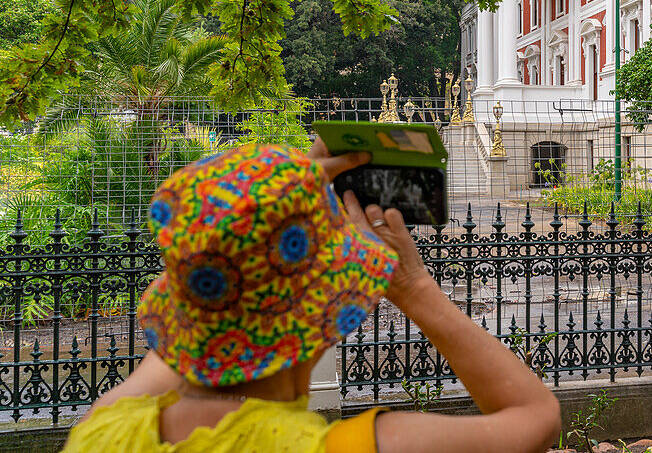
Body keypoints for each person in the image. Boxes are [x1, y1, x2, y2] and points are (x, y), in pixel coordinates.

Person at [63, 141, 560, 453]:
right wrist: (415, 289)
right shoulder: (348, 446)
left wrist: (267, 198)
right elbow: (537, 418)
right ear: (327, 316)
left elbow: (197, 330)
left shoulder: (104, 431)